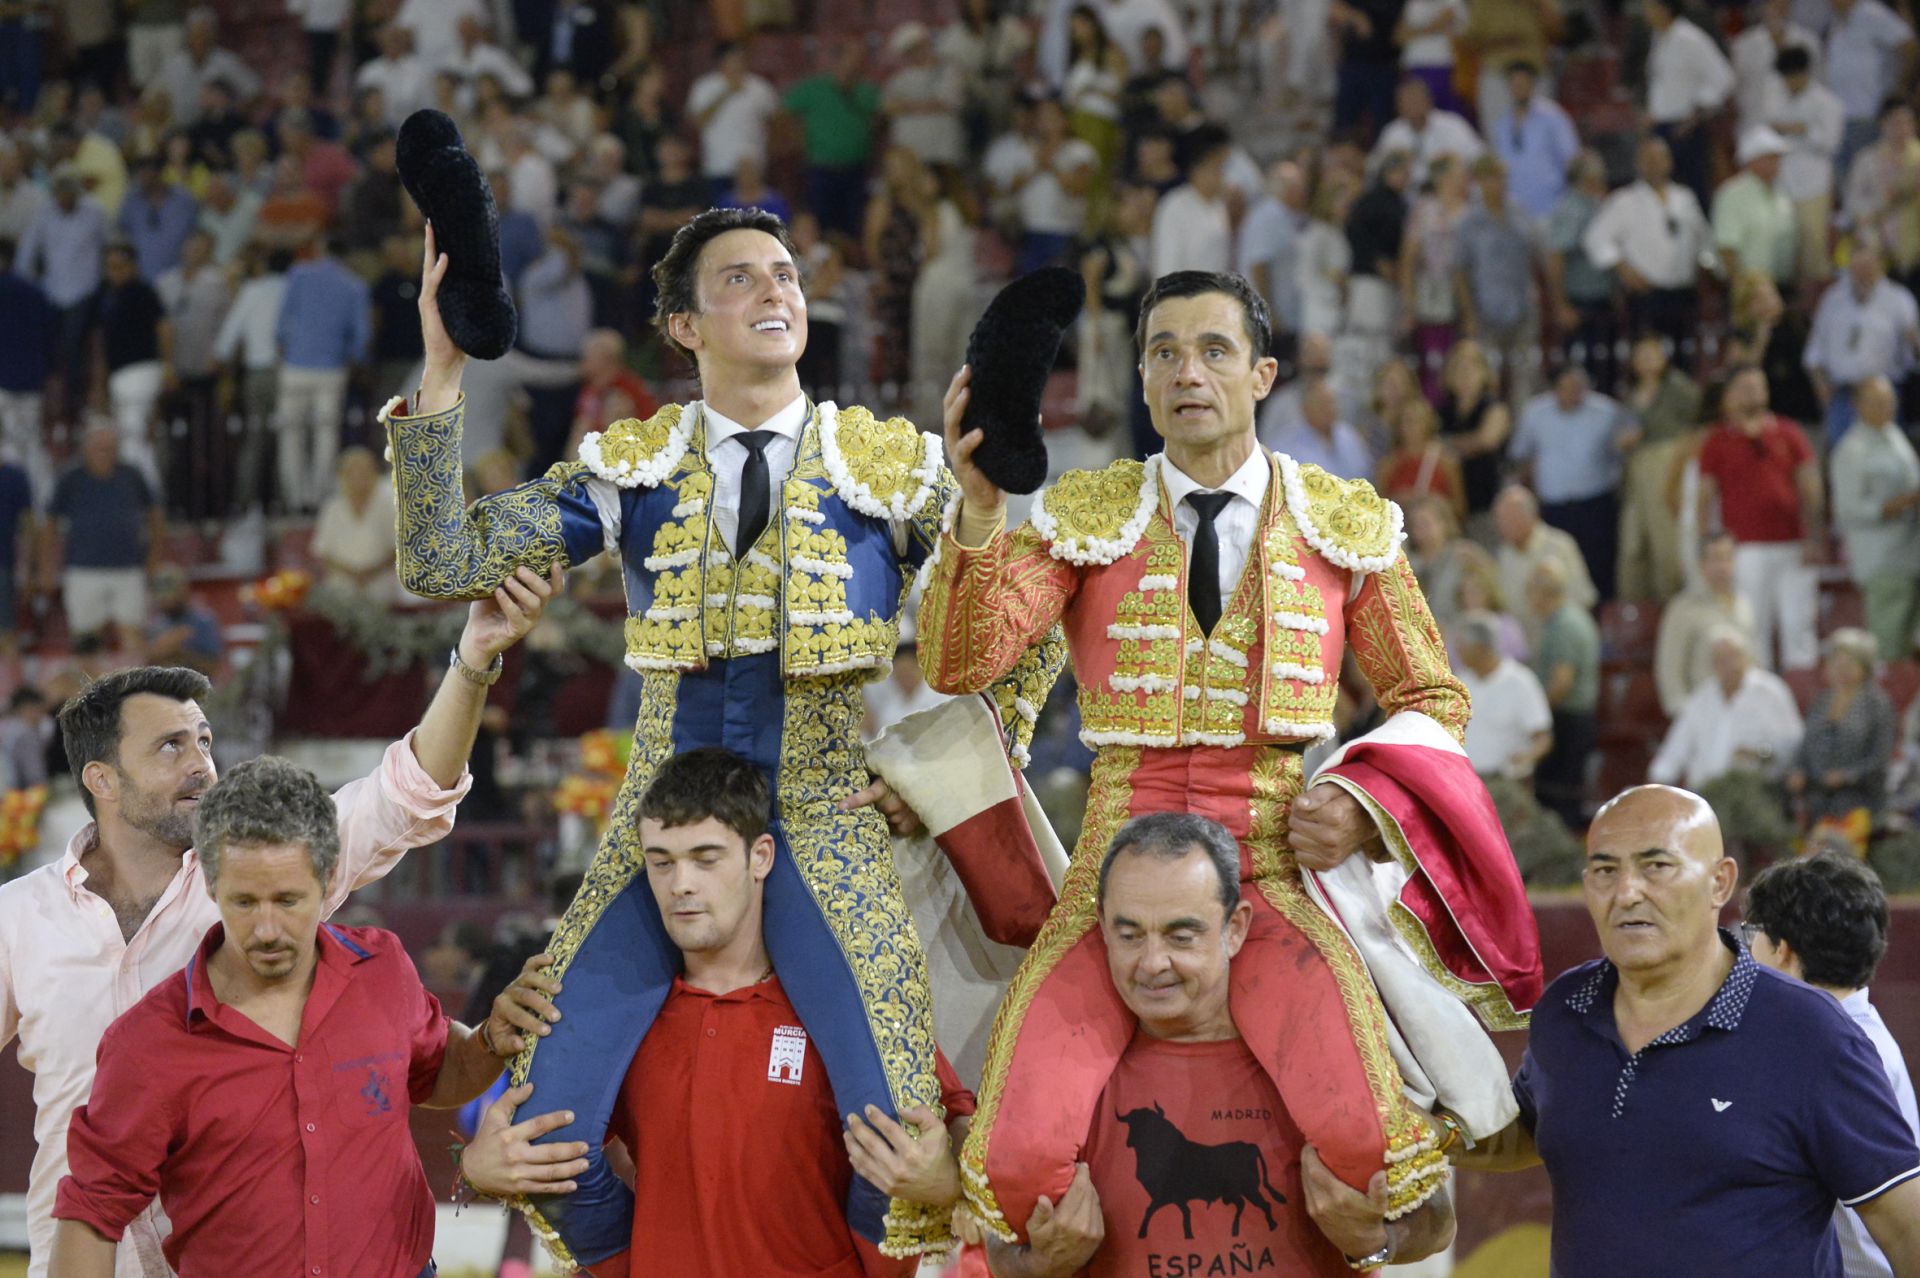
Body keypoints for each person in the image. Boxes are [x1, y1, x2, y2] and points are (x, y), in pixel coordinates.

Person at [379, 207, 1065, 1262]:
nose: (776, 292)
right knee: (541, 1127)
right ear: (685, 326)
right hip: (662, 828)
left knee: (899, 1144)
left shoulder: (888, 467)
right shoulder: (634, 468)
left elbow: (1027, 625)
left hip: (825, 816)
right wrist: (443, 370)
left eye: (786, 274)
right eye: (741, 279)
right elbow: (438, 558)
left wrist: (954, 775)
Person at [920, 268, 1540, 1245]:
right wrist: (981, 512)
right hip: (1114, 871)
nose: (1186, 372)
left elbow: (1432, 695)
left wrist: (1362, 802)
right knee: (1010, 1165)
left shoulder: (1343, 523)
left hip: (1275, 863)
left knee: (1374, 1151)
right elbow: (960, 665)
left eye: (1213, 350)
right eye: (1163, 352)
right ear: (1140, 379)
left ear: (1262, 375)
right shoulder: (1089, 515)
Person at [0, 568, 553, 1277]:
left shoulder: (266, 862)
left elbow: (410, 791)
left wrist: (474, 660)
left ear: (317, 883)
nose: (202, 763)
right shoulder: (22, 919)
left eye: (204, 739)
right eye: (171, 746)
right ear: (101, 780)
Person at [457, 747, 978, 1276]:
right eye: (661, 862)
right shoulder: (624, 1021)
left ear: (761, 857)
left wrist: (950, 1178)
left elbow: (955, 1118)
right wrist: (475, 1166)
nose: (681, 884)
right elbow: (540, 1145)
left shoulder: (839, 1005)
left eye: (706, 859)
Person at [46, 757, 554, 1278]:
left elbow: (437, 1071)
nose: (267, 929)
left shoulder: (381, 969)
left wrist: (491, 1040)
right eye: (245, 901)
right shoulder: (149, 1043)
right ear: (211, 886)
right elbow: (91, 1215)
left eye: (288, 900)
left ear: (328, 877)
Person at [1454, 785, 1920, 1277]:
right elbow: (1532, 1128)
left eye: (1656, 866)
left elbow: (1908, 1229)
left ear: (1720, 883)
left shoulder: (1810, 1034)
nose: (1627, 892)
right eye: (1606, 870)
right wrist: (1421, 1134)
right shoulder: (1567, 1011)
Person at [975, 812, 1458, 1276]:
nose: (1153, 963)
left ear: (1235, 928)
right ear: (1101, 926)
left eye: (1181, 937)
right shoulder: (1068, 1074)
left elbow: (1436, 1220)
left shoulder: (1321, 1052)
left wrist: (1372, 1242)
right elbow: (1003, 1250)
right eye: (1129, 935)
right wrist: (1040, 1265)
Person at [1745, 850, 1920, 1278]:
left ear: (1782, 950)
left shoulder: (1830, 1051)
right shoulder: (1855, 1033)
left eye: (1754, 933)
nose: (1746, 949)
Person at [1697, 364, 1823, 671]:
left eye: (1758, 385)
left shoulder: (1789, 432)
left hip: (1792, 544)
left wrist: (1815, 537)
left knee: (1800, 627)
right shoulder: (1717, 440)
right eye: (1745, 387)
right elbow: (1704, 498)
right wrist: (1708, 548)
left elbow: (1811, 487)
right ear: (1729, 396)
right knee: (1753, 631)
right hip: (1745, 548)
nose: (1753, 392)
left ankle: (1802, 699)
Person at [1582, 136, 1716, 354]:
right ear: (1639, 164)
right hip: (1646, 295)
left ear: (1669, 162)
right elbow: (1595, 238)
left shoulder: (1684, 197)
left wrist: (1706, 265)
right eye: (1648, 159)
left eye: (1659, 159)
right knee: (1646, 356)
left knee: (1684, 355)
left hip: (1683, 291)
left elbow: (1703, 238)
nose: (1654, 165)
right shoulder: (1624, 200)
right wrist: (1622, 268)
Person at [1508, 366, 1631, 601]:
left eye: (1578, 387)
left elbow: (1624, 450)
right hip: (1554, 506)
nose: (1572, 393)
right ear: (1555, 388)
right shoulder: (1535, 412)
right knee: (1557, 565)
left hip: (1596, 503)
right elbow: (1521, 456)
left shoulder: (1606, 410)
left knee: (1600, 565)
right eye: (1566, 387)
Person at [274, 237, 370, 514]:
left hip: (294, 367)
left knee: (291, 435)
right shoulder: (355, 286)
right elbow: (362, 337)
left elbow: (282, 322)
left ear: (322, 250)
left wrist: (284, 349)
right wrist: (353, 359)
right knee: (326, 435)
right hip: (331, 369)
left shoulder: (299, 274)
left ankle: (295, 499)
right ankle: (320, 499)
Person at [1831, 375, 1920, 660]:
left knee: (1909, 646)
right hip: (1881, 560)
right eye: (1879, 402)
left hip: (1910, 554)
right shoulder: (1851, 450)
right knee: (1887, 645)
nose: (1887, 407)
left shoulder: (1895, 436)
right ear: (1859, 406)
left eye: (1890, 401)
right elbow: (1848, 509)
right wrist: (1902, 502)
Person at [1649, 625, 1804, 789]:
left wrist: (1759, 752)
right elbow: (1675, 749)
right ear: (1713, 665)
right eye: (1720, 660)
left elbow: (1792, 744)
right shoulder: (1702, 698)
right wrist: (1657, 783)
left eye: (1733, 657)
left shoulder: (1770, 693)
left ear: (1746, 657)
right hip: (1704, 792)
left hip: (1753, 791)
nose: (1728, 665)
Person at [42, 427, 158, 644]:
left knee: (132, 634)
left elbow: (156, 516)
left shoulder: (132, 475)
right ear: (85, 449)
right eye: (98, 448)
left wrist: (153, 558)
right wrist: (47, 565)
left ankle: (135, 679)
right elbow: (50, 522)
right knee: (86, 639)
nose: (104, 453)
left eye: (109, 448)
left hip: (128, 568)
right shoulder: (70, 478)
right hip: (83, 569)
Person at [1805, 234, 1920, 448]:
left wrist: (1914, 341)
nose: (1863, 272)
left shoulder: (1899, 300)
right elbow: (1814, 353)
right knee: (1841, 456)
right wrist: (1821, 386)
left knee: (1885, 457)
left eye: (1869, 265)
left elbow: (1913, 357)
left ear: (1881, 265)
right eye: (1857, 265)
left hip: (1883, 394)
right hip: (1841, 395)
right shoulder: (1833, 299)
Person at [1789, 628, 1898, 827]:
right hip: (1817, 797)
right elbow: (1804, 745)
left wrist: (1846, 776)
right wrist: (1798, 769)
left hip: (1859, 799)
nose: (1840, 668)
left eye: (1848, 662)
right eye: (1835, 661)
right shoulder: (1821, 701)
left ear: (1864, 667)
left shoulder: (1877, 704)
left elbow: (1880, 759)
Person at [780, 40, 880, 238]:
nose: (855, 63)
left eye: (859, 59)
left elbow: (880, 117)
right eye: (851, 58)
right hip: (821, 168)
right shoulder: (813, 88)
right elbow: (782, 112)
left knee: (854, 223)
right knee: (822, 222)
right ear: (837, 60)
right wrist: (798, 140)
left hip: (856, 167)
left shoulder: (866, 90)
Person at [1527, 558, 1599, 826]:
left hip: (1568, 719)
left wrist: (1536, 715)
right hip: (1573, 717)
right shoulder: (1568, 619)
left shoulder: (1563, 627)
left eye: (1531, 593)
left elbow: (1561, 682)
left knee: (1560, 795)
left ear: (1543, 594)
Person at [1641, 0, 1735, 203]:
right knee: (1663, 193)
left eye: (1649, 7)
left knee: (1693, 191)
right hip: (1661, 127)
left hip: (1685, 129)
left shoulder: (1689, 38)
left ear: (1664, 9)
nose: (1645, 12)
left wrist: (1697, 112)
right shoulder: (1658, 37)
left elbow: (1724, 77)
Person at [1653, 532, 1756, 717]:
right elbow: (1670, 672)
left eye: (1727, 558)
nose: (1722, 566)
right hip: (1701, 713)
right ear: (1702, 564)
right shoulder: (1682, 609)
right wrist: (1687, 716)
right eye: (1715, 559)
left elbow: (1754, 661)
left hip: (1744, 711)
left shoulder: (1745, 604)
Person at [1765, 45, 1842, 286]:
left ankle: (1817, 301)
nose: (1787, 83)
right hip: (1784, 183)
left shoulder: (1827, 103)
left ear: (1804, 73)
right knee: (1786, 247)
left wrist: (1803, 129)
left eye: (1791, 77)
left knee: (1813, 245)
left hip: (1814, 185)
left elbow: (1831, 143)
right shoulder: (1779, 99)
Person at [1455, 611, 1553, 781]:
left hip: (1505, 781)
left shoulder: (1520, 681)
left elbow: (1543, 738)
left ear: (1480, 649)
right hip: (1465, 780)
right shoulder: (1459, 681)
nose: (1458, 653)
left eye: (1462, 648)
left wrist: (1526, 757)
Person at [1492, 483, 1597, 640]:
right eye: (1500, 519)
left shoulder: (1561, 545)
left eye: (1510, 518)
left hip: (1560, 643)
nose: (1503, 525)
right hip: (1521, 649)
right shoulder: (1502, 556)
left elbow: (1583, 600)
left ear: (1531, 515)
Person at [1488, 59, 1579, 229]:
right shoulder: (1503, 124)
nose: (1519, 88)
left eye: (1523, 83)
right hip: (1515, 214)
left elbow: (1572, 160)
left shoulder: (1553, 118)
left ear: (1533, 84)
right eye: (1514, 84)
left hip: (1551, 209)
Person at [686, 41, 778, 204]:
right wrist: (726, 93)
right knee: (722, 222)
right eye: (733, 58)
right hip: (718, 166)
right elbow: (698, 122)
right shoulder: (704, 86)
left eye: (741, 58)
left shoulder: (760, 87)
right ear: (721, 61)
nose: (738, 62)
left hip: (753, 167)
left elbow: (774, 122)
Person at [310, 447, 398, 603]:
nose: (360, 477)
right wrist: (353, 574)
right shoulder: (333, 508)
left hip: (381, 583)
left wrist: (369, 573)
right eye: (354, 472)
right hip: (342, 584)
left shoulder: (387, 506)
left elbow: (397, 549)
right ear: (343, 476)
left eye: (365, 471)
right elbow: (323, 551)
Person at [1713, 128, 1796, 287]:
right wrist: (1742, 286)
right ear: (1752, 160)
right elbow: (1726, 247)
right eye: (1770, 158)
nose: (1777, 163)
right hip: (1747, 289)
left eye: (1777, 158)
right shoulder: (1732, 194)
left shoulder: (1782, 196)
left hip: (1780, 285)